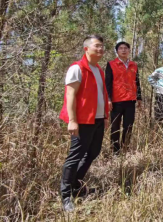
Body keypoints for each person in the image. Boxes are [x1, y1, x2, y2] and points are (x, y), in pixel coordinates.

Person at [59, 35, 109, 212]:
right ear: (86, 48)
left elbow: (99, 94)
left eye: (102, 46)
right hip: (82, 121)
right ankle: (65, 196)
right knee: (75, 157)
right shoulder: (77, 68)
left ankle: (76, 186)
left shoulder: (99, 70)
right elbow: (70, 95)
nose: (101, 49)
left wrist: (104, 114)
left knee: (93, 152)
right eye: (97, 46)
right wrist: (72, 121)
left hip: (97, 119)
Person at [105, 42, 142, 155]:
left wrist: (139, 98)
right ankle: (115, 152)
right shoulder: (111, 64)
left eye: (126, 48)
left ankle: (125, 149)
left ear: (129, 50)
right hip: (116, 101)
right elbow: (107, 83)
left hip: (130, 100)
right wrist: (109, 99)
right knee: (115, 126)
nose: (123, 50)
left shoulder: (133, 65)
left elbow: (137, 82)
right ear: (117, 51)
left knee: (128, 126)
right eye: (120, 48)